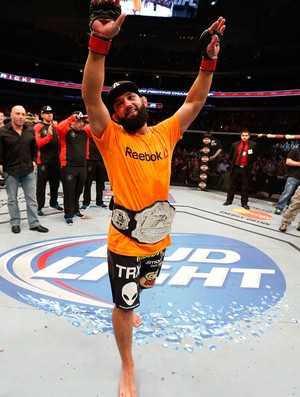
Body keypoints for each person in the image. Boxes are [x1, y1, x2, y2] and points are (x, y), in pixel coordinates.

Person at [81, 1, 225, 396]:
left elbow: (194, 102)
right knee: (125, 306)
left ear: (144, 103)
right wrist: (99, 44)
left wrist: (207, 60)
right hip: (125, 241)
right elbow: (92, 96)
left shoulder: (164, 132)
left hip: (158, 239)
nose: (126, 104)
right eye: (119, 104)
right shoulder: (110, 137)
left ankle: (133, 301)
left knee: (145, 287)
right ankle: (127, 365)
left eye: (131, 99)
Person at [0, 105, 49, 233]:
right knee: (12, 199)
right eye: (18, 114)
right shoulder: (3, 131)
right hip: (10, 171)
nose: (21, 116)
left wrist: (33, 160)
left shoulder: (30, 130)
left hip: (28, 171)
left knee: (32, 198)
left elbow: (34, 147)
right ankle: (15, 222)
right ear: (11, 114)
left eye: (23, 114)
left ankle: (34, 223)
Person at [56, 111, 91, 225]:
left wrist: (89, 118)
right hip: (69, 167)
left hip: (82, 167)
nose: (81, 124)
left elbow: (96, 127)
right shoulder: (65, 132)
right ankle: (68, 214)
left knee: (78, 190)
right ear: (72, 122)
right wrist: (72, 117)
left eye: (82, 121)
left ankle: (76, 209)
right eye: (78, 121)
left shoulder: (85, 132)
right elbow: (59, 127)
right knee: (69, 191)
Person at [34, 105, 63, 216]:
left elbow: (59, 145)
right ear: (42, 115)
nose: (49, 114)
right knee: (41, 186)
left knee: (55, 184)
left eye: (51, 112)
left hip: (55, 161)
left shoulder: (55, 127)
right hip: (43, 162)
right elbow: (37, 144)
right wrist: (49, 136)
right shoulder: (38, 127)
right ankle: (39, 206)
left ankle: (54, 202)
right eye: (46, 113)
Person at [223, 129, 257, 209]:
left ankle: (244, 203)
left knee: (244, 187)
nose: (244, 137)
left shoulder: (253, 145)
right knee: (232, 185)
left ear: (249, 136)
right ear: (241, 136)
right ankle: (229, 200)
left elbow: (255, 157)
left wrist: (248, 164)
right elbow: (231, 156)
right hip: (235, 168)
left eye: (246, 135)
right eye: (243, 135)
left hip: (245, 169)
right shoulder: (235, 144)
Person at [81, 123, 108, 209]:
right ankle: (86, 202)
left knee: (101, 182)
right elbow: (85, 129)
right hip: (91, 160)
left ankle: (100, 201)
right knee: (88, 182)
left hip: (102, 160)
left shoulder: (105, 131)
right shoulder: (88, 128)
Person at [274, 146, 300, 215]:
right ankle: (279, 208)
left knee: (296, 196)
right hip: (293, 176)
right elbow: (288, 161)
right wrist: (298, 163)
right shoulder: (295, 151)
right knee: (287, 193)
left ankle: (289, 209)